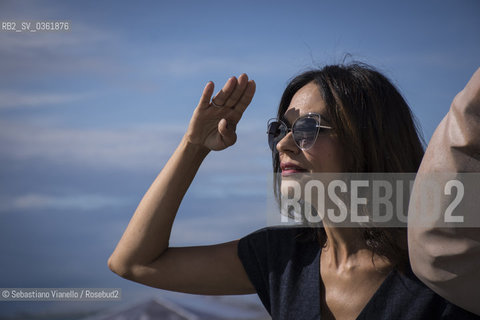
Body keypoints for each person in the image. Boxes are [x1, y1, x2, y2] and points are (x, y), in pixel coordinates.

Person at [108, 63, 479, 319]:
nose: (284, 143)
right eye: (279, 129)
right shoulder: (284, 260)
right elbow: (134, 263)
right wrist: (194, 145)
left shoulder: (445, 264)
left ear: (366, 140)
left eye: (307, 128)